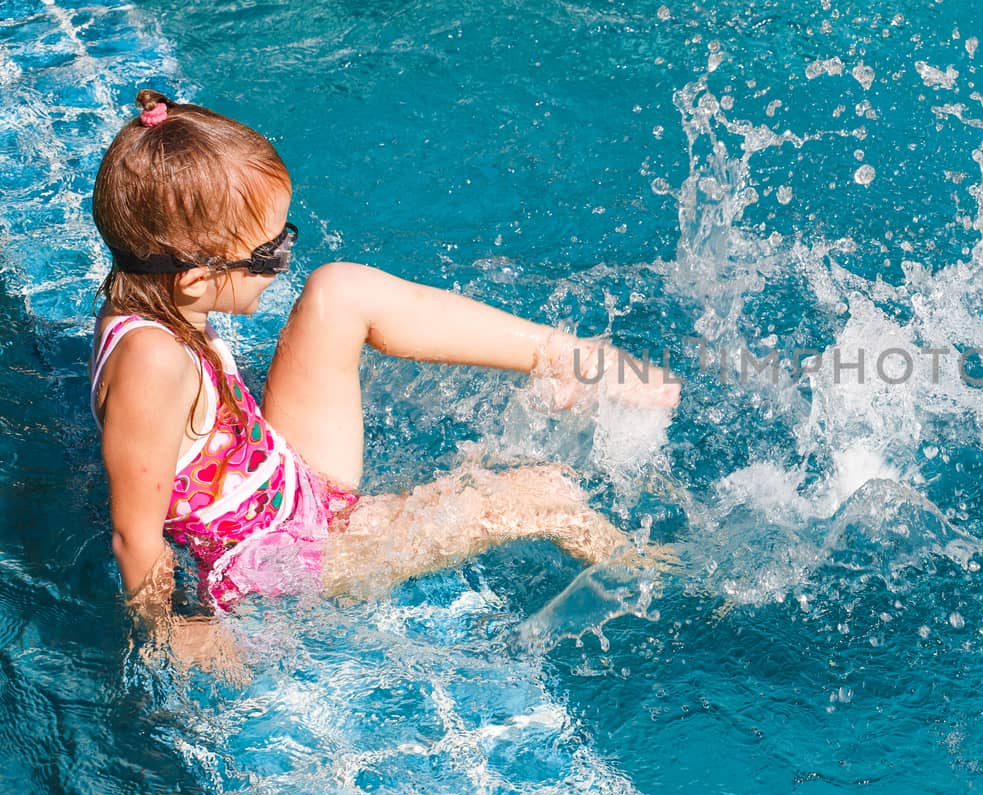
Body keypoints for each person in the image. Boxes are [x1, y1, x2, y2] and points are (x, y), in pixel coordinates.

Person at [91, 90, 678, 674]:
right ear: (196, 279)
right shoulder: (153, 363)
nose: (285, 260)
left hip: (281, 480)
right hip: (273, 562)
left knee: (340, 290)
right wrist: (171, 631)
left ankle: (567, 358)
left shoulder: (152, 300)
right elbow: (133, 537)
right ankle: (662, 582)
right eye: (269, 254)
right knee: (541, 495)